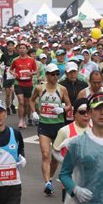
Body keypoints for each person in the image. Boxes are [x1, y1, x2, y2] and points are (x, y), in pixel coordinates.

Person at [29, 63, 72, 195]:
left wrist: (62, 109)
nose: (55, 76)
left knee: (55, 157)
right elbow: (31, 100)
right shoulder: (39, 88)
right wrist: (33, 112)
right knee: (46, 154)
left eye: (57, 74)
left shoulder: (62, 89)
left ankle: (51, 178)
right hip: (44, 125)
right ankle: (47, 182)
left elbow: (69, 105)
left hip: (58, 126)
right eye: (52, 74)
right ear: (47, 75)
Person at [52, 98, 92, 202]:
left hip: (91, 178)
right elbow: (55, 151)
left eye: (88, 112)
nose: (86, 115)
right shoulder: (65, 131)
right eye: (82, 112)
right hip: (70, 179)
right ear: (74, 114)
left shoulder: (95, 129)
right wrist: (66, 162)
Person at [9, 42, 37, 128]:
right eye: (20, 48)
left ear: (27, 50)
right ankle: (20, 120)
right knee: (20, 102)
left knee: (26, 104)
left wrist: (31, 73)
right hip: (18, 83)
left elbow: (36, 71)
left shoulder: (31, 60)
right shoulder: (15, 60)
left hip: (28, 83)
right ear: (18, 50)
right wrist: (13, 74)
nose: (22, 50)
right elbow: (10, 70)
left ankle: (24, 118)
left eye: (24, 48)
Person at [0, 40, 18, 114]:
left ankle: (12, 104)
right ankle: (7, 107)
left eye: (12, 46)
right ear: (7, 47)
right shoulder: (4, 55)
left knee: (13, 92)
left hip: (14, 74)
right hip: (6, 75)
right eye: (9, 46)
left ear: (14, 47)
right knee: (7, 93)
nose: (10, 47)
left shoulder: (16, 55)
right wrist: (2, 66)